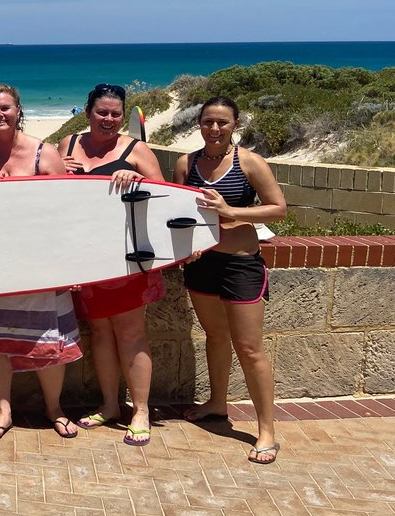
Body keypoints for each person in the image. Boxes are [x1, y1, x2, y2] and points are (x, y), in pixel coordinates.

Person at [0, 84, 82, 442]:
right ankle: (3, 409)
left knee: (49, 338)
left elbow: (65, 210)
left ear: (18, 109)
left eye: (5, 108)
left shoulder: (45, 152)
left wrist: (70, 265)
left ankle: (54, 407)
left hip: (41, 263)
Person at [175, 96, 286, 464]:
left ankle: (266, 430)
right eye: (208, 121)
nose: (215, 128)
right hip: (202, 265)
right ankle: (217, 403)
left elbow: (278, 208)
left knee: (250, 348)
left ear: (235, 124)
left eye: (222, 122)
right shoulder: (186, 163)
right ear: (200, 124)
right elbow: (177, 212)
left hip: (241, 264)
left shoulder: (250, 162)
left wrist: (229, 211)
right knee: (216, 337)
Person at [58, 83, 166, 447]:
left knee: (131, 333)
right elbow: (52, 193)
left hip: (126, 255)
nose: (108, 119)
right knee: (100, 333)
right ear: (87, 112)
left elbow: (164, 194)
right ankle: (109, 404)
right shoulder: (68, 145)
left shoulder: (136, 149)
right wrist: (60, 172)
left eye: (115, 114)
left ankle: (140, 410)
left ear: (123, 116)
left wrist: (137, 179)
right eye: (101, 112)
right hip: (86, 256)